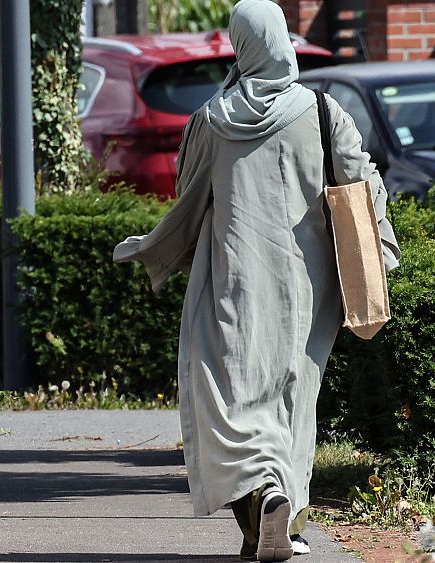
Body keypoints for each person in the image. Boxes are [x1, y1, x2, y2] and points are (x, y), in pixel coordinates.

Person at [112, 1, 400, 560]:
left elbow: (188, 198)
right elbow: (363, 184)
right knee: (293, 397)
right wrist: (381, 248)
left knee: (230, 398)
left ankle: (261, 506)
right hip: (310, 288)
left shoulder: (212, 120)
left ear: (243, 46)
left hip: (233, 281)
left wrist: (153, 247)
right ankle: (281, 513)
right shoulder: (323, 112)